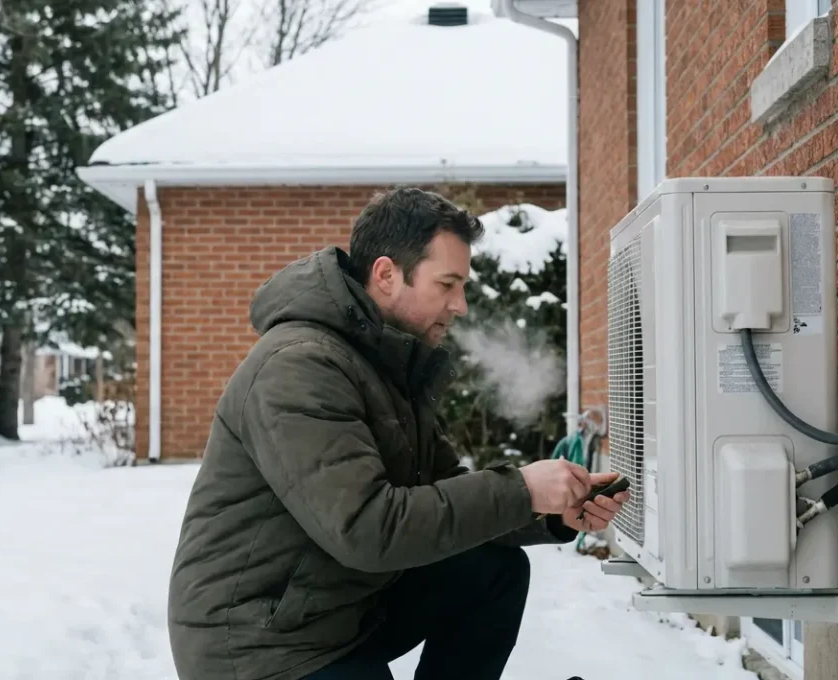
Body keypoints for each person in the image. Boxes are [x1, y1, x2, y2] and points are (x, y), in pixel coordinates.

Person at [167, 187, 630, 680]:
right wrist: (522, 488)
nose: (461, 306)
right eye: (448, 285)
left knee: (493, 570)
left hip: (338, 608)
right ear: (387, 275)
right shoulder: (299, 367)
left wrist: (551, 510)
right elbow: (367, 528)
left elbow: (443, 487)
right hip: (261, 641)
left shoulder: (384, 364)